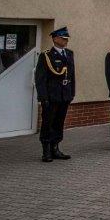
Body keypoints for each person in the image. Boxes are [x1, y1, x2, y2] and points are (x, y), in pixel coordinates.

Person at [35, 27, 76, 163]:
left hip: (64, 95)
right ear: (55, 39)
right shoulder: (46, 55)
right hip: (51, 96)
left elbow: (72, 75)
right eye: (63, 38)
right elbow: (40, 79)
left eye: (66, 39)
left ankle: (55, 148)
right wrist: (43, 97)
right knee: (48, 123)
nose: (65, 41)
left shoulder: (69, 54)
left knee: (59, 122)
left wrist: (72, 93)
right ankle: (46, 150)